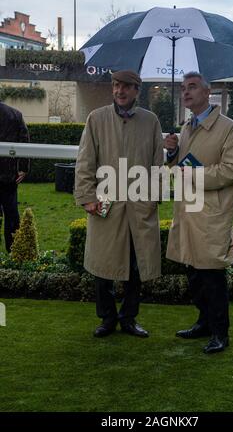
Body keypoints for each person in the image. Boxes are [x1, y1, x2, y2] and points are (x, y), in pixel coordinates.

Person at [75, 70, 163, 339]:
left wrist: (153, 198)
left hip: (139, 207)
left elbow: (158, 164)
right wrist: (87, 197)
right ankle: (107, 318)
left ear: (137, 90)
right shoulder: (96, 119)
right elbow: (85, 161)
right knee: (102, 267)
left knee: (135, 267)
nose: (119, 91)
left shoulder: (151, 121)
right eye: (115, 85)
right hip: (106, 205)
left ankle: (128, 318)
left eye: (126, 86)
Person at [164, 72, 233, 354]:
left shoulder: (228, 128)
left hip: (211, 214)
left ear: (208, 92)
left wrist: (193, 173)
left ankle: (221, 333)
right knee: (194, 274)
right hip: (188, 211)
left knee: (211, 276)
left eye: (192, 87)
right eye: (184, 88)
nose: (186, 92)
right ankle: (203, 322)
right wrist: (171, 155)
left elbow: (232, 171)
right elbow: (178, 171)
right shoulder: (186, 127)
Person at [0, 101, 29, 252]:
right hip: (8, 174)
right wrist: (23, 168)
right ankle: (13, 251)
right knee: (11, 215)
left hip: (8, 174)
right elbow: (24, 141)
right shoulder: (15, 115)